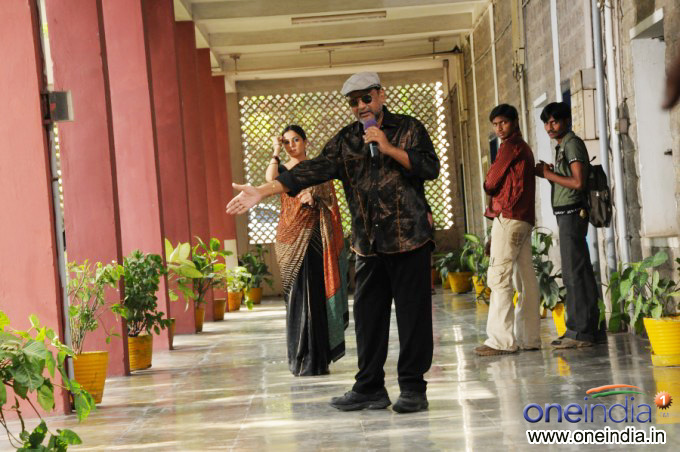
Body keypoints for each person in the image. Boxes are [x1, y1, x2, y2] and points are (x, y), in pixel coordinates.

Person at [227, 72, 439, 413]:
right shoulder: (346, 141)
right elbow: (307, 172)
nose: (360, 106)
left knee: (413, 319)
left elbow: (429, 168)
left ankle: (413, 388)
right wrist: (263, 191)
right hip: (368, 245)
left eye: (366, 98)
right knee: (368, 321)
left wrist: (387, 148)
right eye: (354, 102)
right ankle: (370, 388)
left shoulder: (409, 128)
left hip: (409, 239)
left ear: (380, 95)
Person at [265, 124, 349, 376]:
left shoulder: (317, 169)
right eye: (287, 142)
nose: (292, 145)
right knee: (296, 297)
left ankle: (317, 359)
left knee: (314, 294)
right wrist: (275, 151)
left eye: (296, 140)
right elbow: (269, 181)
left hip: (314, 237)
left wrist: (315, 198)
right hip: (289, 240)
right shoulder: (283, 171)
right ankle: (299, 358)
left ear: (305, 142)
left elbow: (330, 200)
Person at [474, 104, 541, 356]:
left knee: (499, 276)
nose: (499, 128)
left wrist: (489, 183)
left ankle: (500, 341)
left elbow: (490, 183)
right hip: (523, 218)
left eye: (503, 122)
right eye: (495, 124)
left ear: (514, 122)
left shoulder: (510, 147)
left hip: (510, 215)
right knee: (525, 279)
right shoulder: (524, 147)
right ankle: (529, 338)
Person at [535, 102, 601, 348]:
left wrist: (547, 174)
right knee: (577, 271)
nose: (549, 127)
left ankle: (580, 332)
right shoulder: (563, 145)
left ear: (566, 121)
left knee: (574, 273)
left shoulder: (572, 143)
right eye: (546, 122)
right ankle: (583, 328)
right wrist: (551, 173)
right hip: (566, 213)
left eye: (554, 121)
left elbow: (578, 182)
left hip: (573, 213)